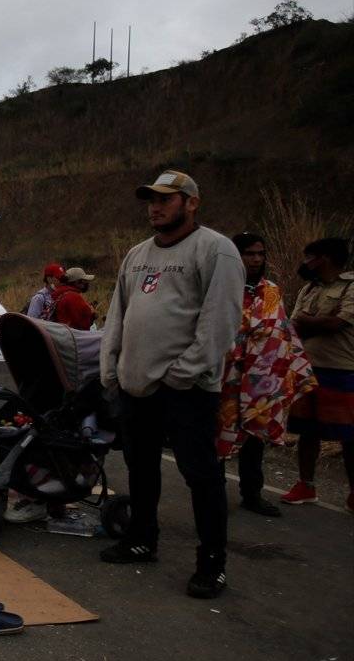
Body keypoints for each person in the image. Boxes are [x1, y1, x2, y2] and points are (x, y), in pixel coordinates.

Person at [98, 169, 244, 599]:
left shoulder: (216, 250)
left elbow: (220, 323)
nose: (156, 207)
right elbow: (117, 315)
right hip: (135, 385)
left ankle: (212, 563)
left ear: (191, 202)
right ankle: (142, 539)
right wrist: (112, 368)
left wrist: (181, 373)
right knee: (141, 469)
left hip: (187, 389)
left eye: (167, 198)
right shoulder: (137, 254)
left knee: (201, 476)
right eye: (151, 200)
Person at [217, 233, 315, 516]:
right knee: (219, 434)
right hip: (227, 377)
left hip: (262, 380)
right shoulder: (220, 287)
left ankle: (252, 494)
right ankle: (213, 491)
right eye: (249, 253)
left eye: (261, 253)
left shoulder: (271, 291)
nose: (256, 259)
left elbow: (279, 330)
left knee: (255, 438)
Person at [281, 237, 354, 511]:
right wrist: (317, 323)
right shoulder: (309, 288)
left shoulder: (351, 287)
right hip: (307, 366)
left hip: (343, 368)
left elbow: (337, 324)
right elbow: (294, 324)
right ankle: (305, 484)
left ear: (324, 258)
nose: (305, 263)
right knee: (307, 429)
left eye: (309, 257)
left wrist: (314, 323)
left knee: (348, 434)